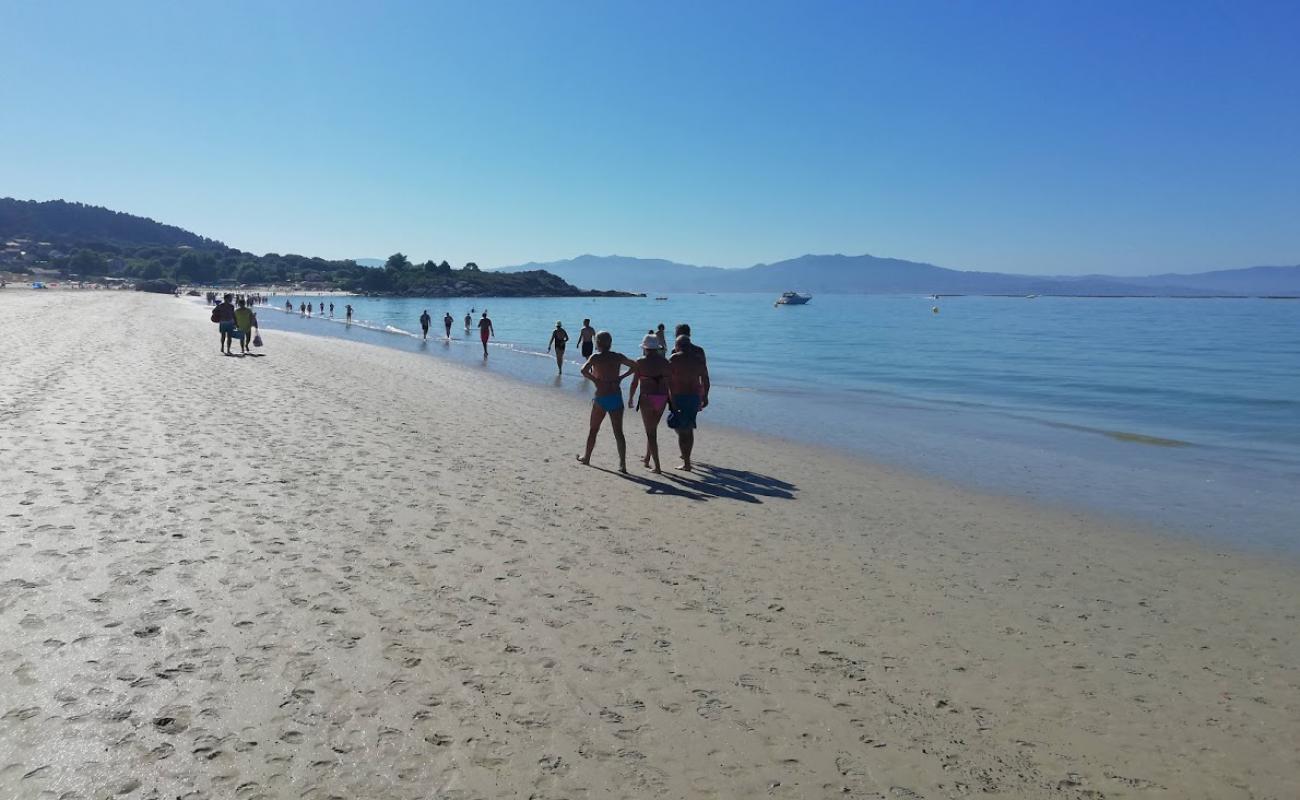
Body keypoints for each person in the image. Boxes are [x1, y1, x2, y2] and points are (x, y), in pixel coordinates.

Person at [577, 331, 637, 473]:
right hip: (615, 396)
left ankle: (587, 457)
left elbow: (583, 370)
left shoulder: (596, 357)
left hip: (601, 397)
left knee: (593, 429)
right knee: (618, 432)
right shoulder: (617, 356)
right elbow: (634, 366)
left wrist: (596, 380)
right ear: (610, 343)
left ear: (597, 343)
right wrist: (621, 377)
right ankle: (622, 464)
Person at [628, 332, 672, 473]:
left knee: (650, 432)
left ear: (645, 348)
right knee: (652, 429)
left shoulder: (640, 362)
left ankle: (657, 466)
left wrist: (630, 398)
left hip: (647, 397)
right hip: (662, 398)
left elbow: (635, 383)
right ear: (657, 348)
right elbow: (670, 383)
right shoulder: (665, 362)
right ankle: (647, 458)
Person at [668, 334, 710, 471]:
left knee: (680, 429)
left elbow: (667, 380)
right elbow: (706, 380)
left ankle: (686, 463)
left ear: (678, 346)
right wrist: (705, 396)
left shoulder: (674, 358)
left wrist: (670, 397)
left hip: (679, 396)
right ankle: (687, 460)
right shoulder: (698, 360)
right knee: (688, 428)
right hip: (693, 397)